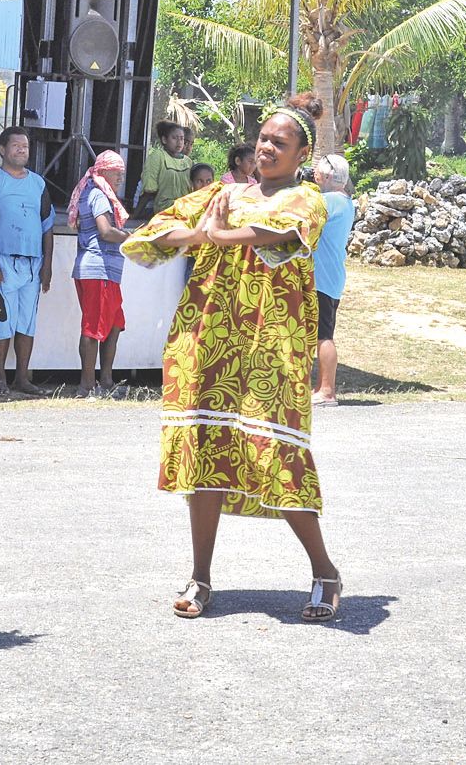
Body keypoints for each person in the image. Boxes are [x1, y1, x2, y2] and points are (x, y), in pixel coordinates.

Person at [123, 93, 342, 623]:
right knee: (205, 455)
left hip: (271, 343)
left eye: (280, 142)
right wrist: (200, 233)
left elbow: (277, 235)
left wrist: (219, 234)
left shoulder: (308, 198)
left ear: (300, 155)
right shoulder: (223, 193)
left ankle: (325, 570)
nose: (267, 147)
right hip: (208, 336)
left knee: (279, 456)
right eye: (264, 138)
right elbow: (154, 232)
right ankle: (200, 577)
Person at [0, 126, 54, 395]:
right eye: (16, 145)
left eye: (26, 146)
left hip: (33, 265)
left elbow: (47, 227)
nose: (21, 150)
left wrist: (48, 266)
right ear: (2, 149)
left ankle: (22, 378)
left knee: (27, 322)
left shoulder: (38, 184)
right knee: (1, 319)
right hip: (3, 262)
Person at [69, 150, 130, 398]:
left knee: (114, 325)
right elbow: (105, 231)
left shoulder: (91, 192)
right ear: (104, 171)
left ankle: (105, 380)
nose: (120, 178)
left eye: (122, 174)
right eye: (117, 173)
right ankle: (87, 385)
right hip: (98, 269)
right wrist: (132, 237)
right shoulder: (98, 194)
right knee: (93, 328)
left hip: (102, 270)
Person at [311, 154, 355, 408]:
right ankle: (320, 388)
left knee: (323, 334)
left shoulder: (329, 201)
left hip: (323, 279)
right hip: (330, 277)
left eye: (317, 172)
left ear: (328, 176)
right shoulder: (344, 201)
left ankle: (327, 390)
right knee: (320, 332)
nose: (314, 175)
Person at [137, 121, 192, 215]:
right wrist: (135, 214)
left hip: (185, 210)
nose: (179, 142)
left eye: (182, 139)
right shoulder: (157, 156)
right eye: (174, 138)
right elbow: (149, 190)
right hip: (164, 211)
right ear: (164, 140)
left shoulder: (188, 161)